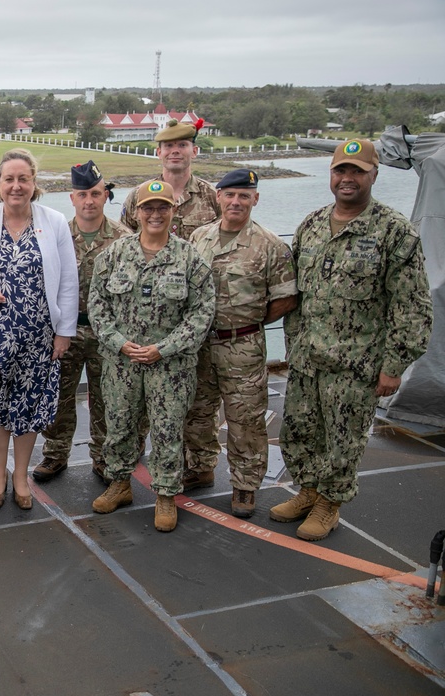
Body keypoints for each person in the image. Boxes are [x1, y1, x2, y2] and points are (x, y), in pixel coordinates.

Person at [273, 139, 432, 541]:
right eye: (341, 171)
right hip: (308, 357)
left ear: (374, 175)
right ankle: (308, 490)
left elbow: (411, 305)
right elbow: (297, 296)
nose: (348, 179)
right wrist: (292, 347)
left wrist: (394, 367)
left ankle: (331, 502)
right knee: (300, 430)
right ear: (331, 175)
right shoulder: (310, 226)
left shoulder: (394, 232)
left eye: (357, 171)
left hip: (356, 363)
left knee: (344, 438)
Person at [0, 149, 78, 510]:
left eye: (24, 179)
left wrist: (64, 331)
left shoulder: (53, 221)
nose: (16, 186)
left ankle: (21, 476)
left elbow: (68, 279)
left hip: (39, 333)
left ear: (34, 183)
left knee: (28, 403)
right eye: (9, 179)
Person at [89, 180, 214, 532]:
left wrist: (165, 347)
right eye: (148, 208)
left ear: (173, 212)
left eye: (163, 207)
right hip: (122, 362)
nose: (155, 214)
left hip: (170, 366)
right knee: (119, 424)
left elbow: (202, 313)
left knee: (167, 429)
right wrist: (117, 342)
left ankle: (165, 494)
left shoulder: (189, 257)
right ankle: (119, 483)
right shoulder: (114, 255)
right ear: (136, 212)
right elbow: (97, 306)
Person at [182, 169, 298, 517]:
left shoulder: (270, 245)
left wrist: (246, 323)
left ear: (255, 199)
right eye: (229, 195)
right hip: (200, 344)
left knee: (244, 419)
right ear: (218, 197)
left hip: (242, 347)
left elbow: (285, 299)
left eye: (243, 196)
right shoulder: (199, 238)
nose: (235, 202)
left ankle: (245, 485)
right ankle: (201, 467)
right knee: (196, 411)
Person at [33, 161, 129, 482]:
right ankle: (56, 453)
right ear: (72, 199)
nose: (90, 201)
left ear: (106, 196)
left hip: (107, 333)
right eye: (82, 194)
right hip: (66, 330)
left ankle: (102, 456)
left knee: (105, 398)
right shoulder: (56, 237)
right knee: (60, 395)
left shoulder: (124, 239)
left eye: (96, 194)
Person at [120, 120, 220, 241]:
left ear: (194, 151)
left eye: (182, 145)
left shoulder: (211, 195)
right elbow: (123, 239)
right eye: (169, 145)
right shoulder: (138, 195)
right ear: (159, 152)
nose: (175, 151)